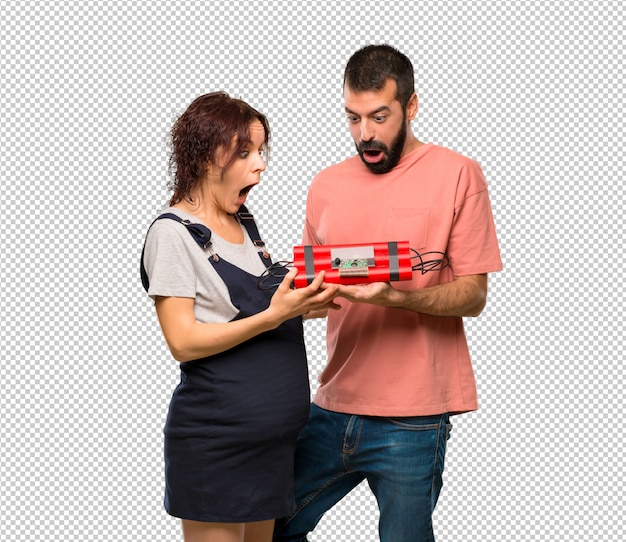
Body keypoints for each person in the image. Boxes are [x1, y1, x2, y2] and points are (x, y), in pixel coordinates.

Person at [273, 45, 503, 542]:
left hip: (414, 416)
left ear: (411, 106)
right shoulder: (326, 184)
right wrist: (289, 299)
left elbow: (474, 295)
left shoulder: (458, 174)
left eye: (379, 116)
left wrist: (399, 299)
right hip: (332, 403)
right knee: (268, 528)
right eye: (353, 118)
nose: (365, 135)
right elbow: (319, 295)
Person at [140, 92, 338, 542]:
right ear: (209, 156)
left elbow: (245, 311)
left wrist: (301, 308)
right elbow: (183, 340)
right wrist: (273, 316)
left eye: (261, 151)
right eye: (245, 152)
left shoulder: (245, 221)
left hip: (270, 447)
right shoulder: (171, 234)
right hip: (218, 445)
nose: (260, 165)